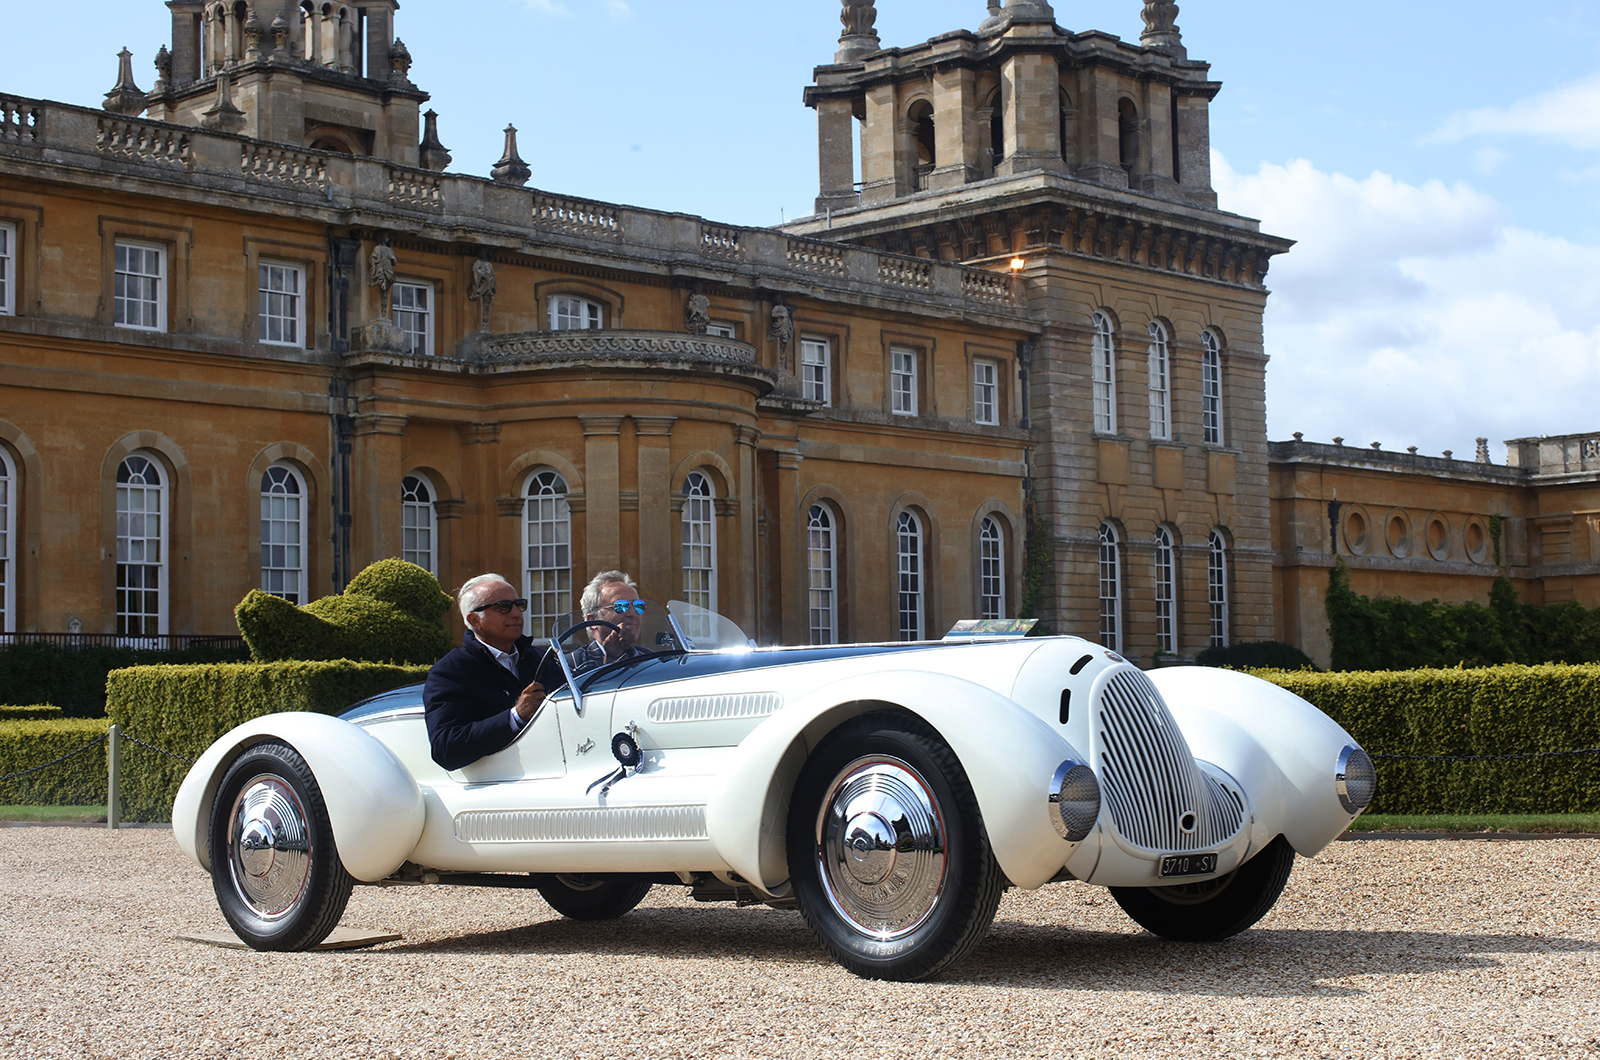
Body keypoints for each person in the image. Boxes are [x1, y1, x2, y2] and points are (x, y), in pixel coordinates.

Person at [422, 574, 562, 771]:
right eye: (503, 607)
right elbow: (445, 748)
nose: (516, 614)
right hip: (498, 786)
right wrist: (515, 716)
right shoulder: (450, 671)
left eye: (519, 605)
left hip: (558, 771)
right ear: (475, 620)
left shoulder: (541, 659)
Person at [568, 570, 657, 673]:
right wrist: (611, 660)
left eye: (638, 606)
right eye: (620, 606)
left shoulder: (653, 661)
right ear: (593, 620)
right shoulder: (571, 664)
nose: (632, 613)